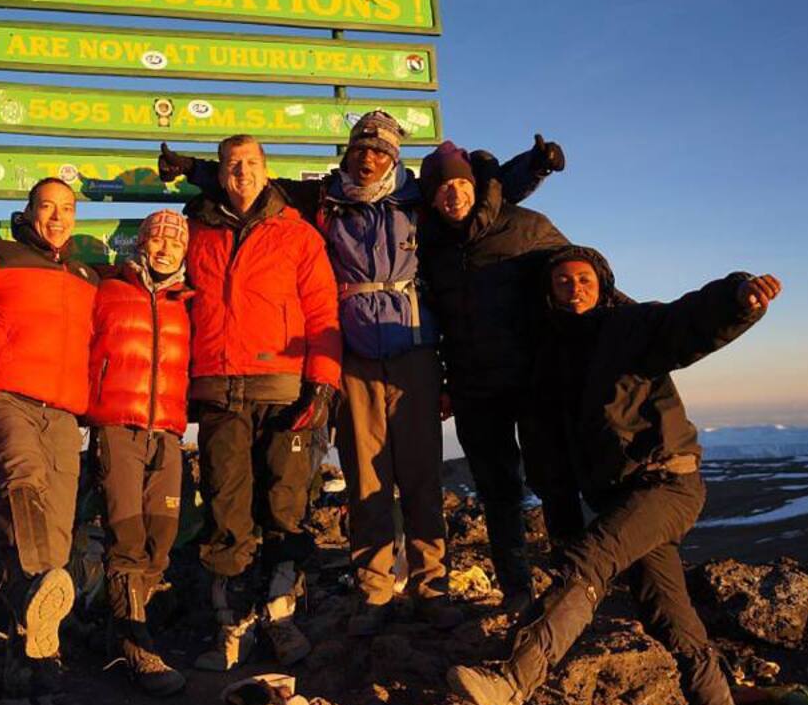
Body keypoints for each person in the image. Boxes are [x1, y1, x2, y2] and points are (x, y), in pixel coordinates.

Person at [162, 124, 559, 635]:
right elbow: (254, 185)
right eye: (360, 149)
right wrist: (194, 170)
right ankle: (373, 587)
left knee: (419, 475)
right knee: (366, 475)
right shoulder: (325, 196)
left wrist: (535, 165)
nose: (368, 158)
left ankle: (430, 585)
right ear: (348, 153)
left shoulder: (417, 198)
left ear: (392, 157)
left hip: (413, 348)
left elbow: (479, 190)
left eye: (379, 151)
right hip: (353, 352)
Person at [447, 246, 778, 705]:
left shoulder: (629, 327)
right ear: (548, 292)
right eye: (561, 281)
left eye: (583, 278)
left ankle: (514, 683)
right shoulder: (548, 361)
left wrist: (738, 298)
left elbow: (686, 322)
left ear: (601, 284)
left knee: (590, 560)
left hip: (667, 484)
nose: (573, 287)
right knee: (672, 619)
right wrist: (560, 522)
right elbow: (548, 456)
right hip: (617, 500)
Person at [167, 134, 342, 671]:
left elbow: (322, 312)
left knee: (286, 506)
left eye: (250, 163)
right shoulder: (195, 232)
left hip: (285, 389)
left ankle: (281, 614)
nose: (240, 172)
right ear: (218, 174)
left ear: (267, 171)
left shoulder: (297, 233)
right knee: (226, 506)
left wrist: (323, 384)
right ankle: (230, 624)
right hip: (219, 388)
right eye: (231, 165)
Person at [416, 140, 585, 614]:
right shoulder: (431, 248)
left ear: (474, 185)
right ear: (430, 197)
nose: (452, 193)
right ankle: (517, 592)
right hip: (474, 388)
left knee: (554, 481)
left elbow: (580, 275)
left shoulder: (525, 227)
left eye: (459, 183)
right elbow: (435, 318)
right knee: (498, 491)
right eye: (441, 187)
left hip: (533, 379)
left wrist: (631, 331)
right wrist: (445, 381)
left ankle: (575, 587)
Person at [0, 176, 100, 694]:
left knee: (57, 531)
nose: (58, 217)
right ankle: (38, 631)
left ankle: (33, 650)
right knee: (22, 490)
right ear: (28, 210)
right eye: (47, 206)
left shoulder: (87, 274)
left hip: (64, 413)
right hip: (6, 396)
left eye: (67, 208)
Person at [87, 209, 194, 696]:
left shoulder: (186, 302)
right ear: (142, 245)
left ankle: (126, 626)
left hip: (167, 431)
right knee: (126, 536)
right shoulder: (107, 290)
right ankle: (137, 649)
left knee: (162, 538)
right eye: (157, 241)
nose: (165, 249)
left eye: (175, 243)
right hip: (117, 426)